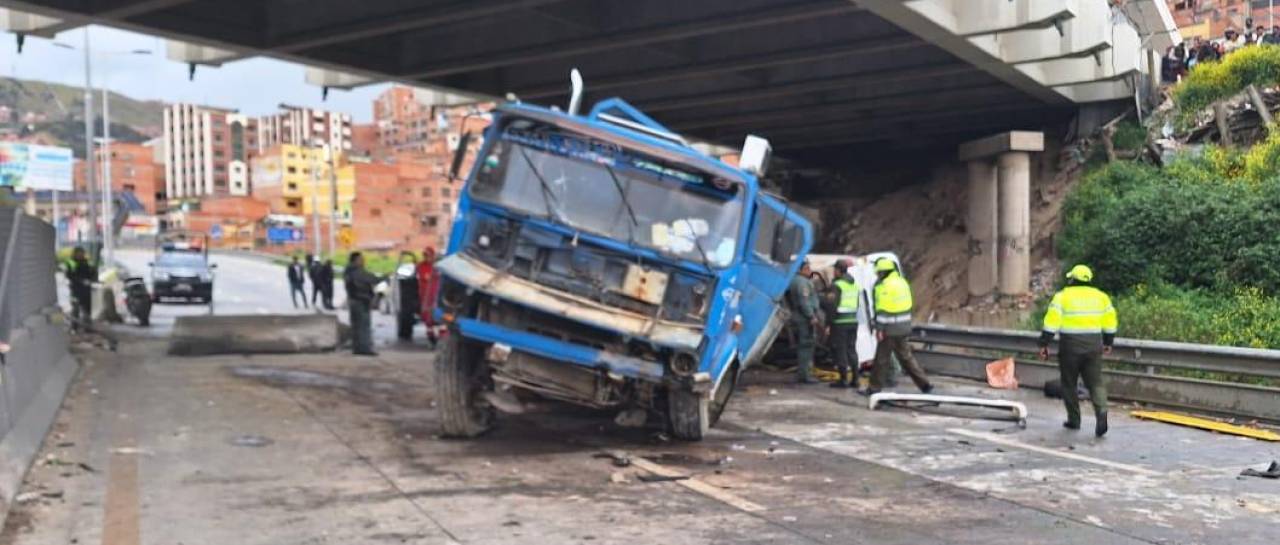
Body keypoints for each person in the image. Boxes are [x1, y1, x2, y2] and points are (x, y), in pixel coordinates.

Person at [1037, 265, 1118, 438]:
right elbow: (1110, 322)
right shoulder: (1101, 297)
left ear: (1072, 279)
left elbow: (1051, 323)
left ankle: (1074, 419)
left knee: (1069, 384)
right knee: (1096, 382)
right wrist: (1108, 342)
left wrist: (1044, 344)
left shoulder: (1062, 297)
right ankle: (1102, 412)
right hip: (1093, 345)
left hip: (1070, 346)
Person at [862, 258, 932, 396]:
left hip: (889, 328)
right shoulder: (902, 282)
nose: (877, 275)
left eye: (879, 272)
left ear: (884, 272)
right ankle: (925, 385)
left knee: (881, 359)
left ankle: (873, 388)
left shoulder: (883, 286)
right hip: (904, 327)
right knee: (906, 357)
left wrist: (879, 329)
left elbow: (882, 310)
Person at [786, 259, 821, 384]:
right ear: (800, 269)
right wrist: (811, 316)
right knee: (806, 346)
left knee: (805, 345)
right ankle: (804, 375)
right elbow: (804, 301)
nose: (809, 270)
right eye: (806, 268)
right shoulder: (801, 283)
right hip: (804, 319)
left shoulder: (798, 281)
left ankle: (805, 373)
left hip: (801, 317)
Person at [827, 258, 860, 388]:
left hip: (840, 322)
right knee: (852, 349)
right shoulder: (854, 285)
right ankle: (855, 379)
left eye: (834, 270)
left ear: (838, 271)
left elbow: (832, 307)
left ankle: (843, 379)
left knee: (840, 350)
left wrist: (828, 324)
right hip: (853, 321)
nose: (833, 272)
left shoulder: (837, 285)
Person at [344, 252, 381, 356]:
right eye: (361, 259)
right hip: (361, 301)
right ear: (356, 260)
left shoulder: (349, 271)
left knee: (356, 326)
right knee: (363, 326)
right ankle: (364, 349)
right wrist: (384, 277)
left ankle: (358, 348)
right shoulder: (357, 272)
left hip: (354, 301)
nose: (363, 261)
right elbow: (372, 279)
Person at [415, 247, 443, 348]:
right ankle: (431, 339)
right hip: (426, 297)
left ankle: (442, 339)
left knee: (441, 319)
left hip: (436, 296)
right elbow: (425, 276)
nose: (427, 257)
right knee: (428, 319)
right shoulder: (421, 266)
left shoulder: (438, 266)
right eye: (425, 255)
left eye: (428, 255)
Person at [64, 247, 97, 331]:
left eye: (82, 253)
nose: (80, 255)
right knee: (75, 309)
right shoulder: (70, 262)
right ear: (75, 254)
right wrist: (81, 280)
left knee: (87, 309)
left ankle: (88, 328)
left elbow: (93, 273)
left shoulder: (87, 262)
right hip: (75, 289)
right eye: (79, 253)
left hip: (86, 289)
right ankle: (74, 327)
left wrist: (92, 277)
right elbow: (69, 275)